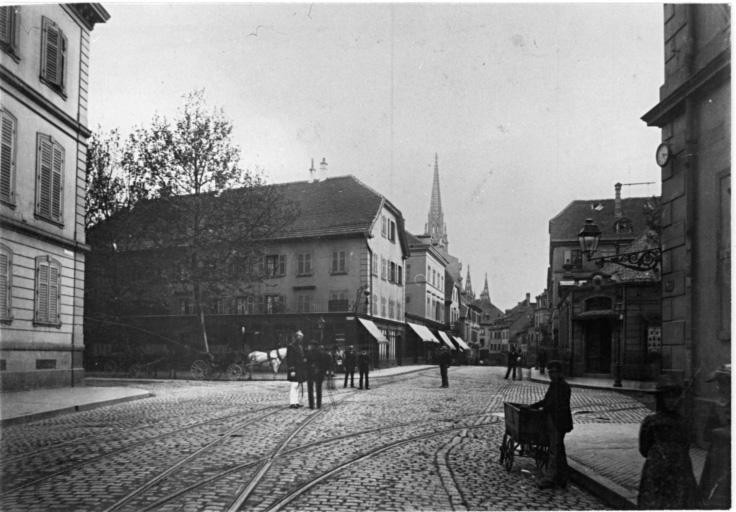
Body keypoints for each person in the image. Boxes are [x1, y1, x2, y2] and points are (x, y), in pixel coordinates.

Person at [637, 374, 700, 509]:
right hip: (656, 471)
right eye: (668, 397)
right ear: (661, 399)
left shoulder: (684, 423)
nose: (672, 401)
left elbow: (688, 443)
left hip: (680, 470)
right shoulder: (651, 422)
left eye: (675, 397)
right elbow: (644, 448)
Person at [528, 360, 573, 489]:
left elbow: (554, 404)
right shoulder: (554, 385)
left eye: (554, 372)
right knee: (559, 450)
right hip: (554, 421)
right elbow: (546, 400)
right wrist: (534, 406)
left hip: (558, 422)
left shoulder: (563, 386)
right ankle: (562, 478)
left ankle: (549, 479)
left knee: (554, 451)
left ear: (560, 373)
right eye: (550, 372)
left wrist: (544, 408)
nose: (551, 375)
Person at [699, 364, 731, 509]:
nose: (721, 387)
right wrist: (720, 432)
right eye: (720, 383)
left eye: (726, 383)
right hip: (718, 457)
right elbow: (706, 434)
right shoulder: (718, 406)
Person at [306, 343, 332, 409]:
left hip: (310, 373)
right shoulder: (324, 354)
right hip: (319, 374)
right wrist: (325, 372)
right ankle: (318, 405)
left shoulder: (308, 353)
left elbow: (305, 364)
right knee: (318, 389)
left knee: (310, 389)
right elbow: (327, 364)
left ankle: (311, 405)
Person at [285, 331, 307, 409]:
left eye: (301, 337)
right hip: (295, 369)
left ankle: (296, 402)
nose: (301, 339)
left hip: (300, 369)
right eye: (299, 337)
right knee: (294, 385)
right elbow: (289, 359)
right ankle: (292, 402)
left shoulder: (300, 346)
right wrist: (292, 369)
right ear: (296, 337)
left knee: (297, 385)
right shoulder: (291, 346)